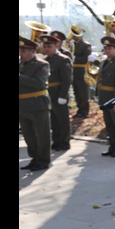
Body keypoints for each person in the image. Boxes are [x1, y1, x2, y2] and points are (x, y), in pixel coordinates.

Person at [19, 36, 52, 171]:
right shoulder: (20, 65)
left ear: (32, 51)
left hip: (38, 105)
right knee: (28, 135)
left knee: (42, 134)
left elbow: (39, 83)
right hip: (23, 106)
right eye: (20, 50)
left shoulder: (42, 64)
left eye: (23, 50)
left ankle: (44, 160)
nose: (20, 53)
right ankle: (34, 158)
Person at [40, 34, 73, 151]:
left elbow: (67, 79)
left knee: (62, 119)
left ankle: (65, 141)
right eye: (45, 46)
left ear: (56, 46)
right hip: (49, 93)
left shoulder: (63, 60)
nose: (46, 49)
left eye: (49, 46)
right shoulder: (44, 61)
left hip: (59, 93)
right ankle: (57, 140)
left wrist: (63, 95)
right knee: (53, 119)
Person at [97, 36, 115, 157]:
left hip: (113, 97)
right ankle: (112, 145)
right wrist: (97, 95)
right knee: (109, 123)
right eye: (105, 48)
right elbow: (100, 80)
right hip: (104, 97)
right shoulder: (104, 63)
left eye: (110, 48)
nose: (107, 50)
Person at [69, 26, 93, 118]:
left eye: (77, 35)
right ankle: (79, 108)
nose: (75, 36)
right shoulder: (72, 45)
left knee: (83, 91)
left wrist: (76, 59)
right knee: (76, 91)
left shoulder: (86, 45)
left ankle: (84, 110)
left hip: (82, 70)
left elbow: (87, 58)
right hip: (74, 70)